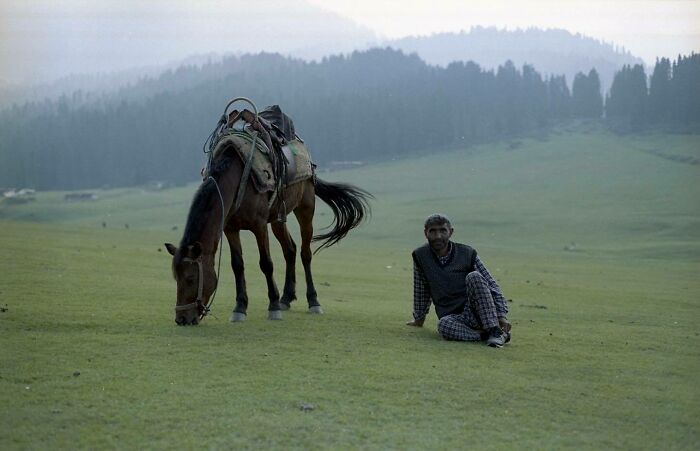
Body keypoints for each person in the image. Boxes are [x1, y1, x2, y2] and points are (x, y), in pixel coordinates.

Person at [406, 213, 512, 347]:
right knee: (443, 326)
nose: (438, 236)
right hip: (455, 318)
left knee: (474, 277)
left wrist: (502, 316)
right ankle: (485, 335)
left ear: (451, 232)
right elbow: (421, 289)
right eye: (433, 231)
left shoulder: (467, 253)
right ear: (425, 233)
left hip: (480, 311)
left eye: (443, 231)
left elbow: (491, 285)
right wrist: (418, 319)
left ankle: (494, 331)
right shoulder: (420, 256)